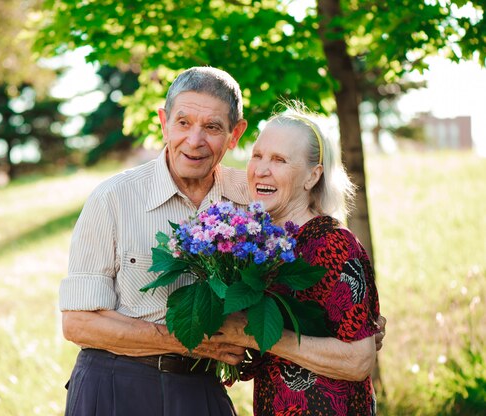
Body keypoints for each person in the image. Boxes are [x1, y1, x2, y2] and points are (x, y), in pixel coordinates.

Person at [59, 67, 385, 416]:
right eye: (183, 122)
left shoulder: (253, 199)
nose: (195, 140)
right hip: (115, 384)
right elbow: (77, 323)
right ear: (164, 122)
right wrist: (196, 342)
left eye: (212, 127)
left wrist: (356, 326)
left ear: (235, 133)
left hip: (202, 390)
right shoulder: (113, 198)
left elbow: (314, 252)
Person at [214, 106, 381, 415]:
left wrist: (253, 333)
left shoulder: (331, 245)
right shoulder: (263, 248)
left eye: (279, 160)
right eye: (258, 155)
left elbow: (359, 360)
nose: (261, 169)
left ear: (312, 176)